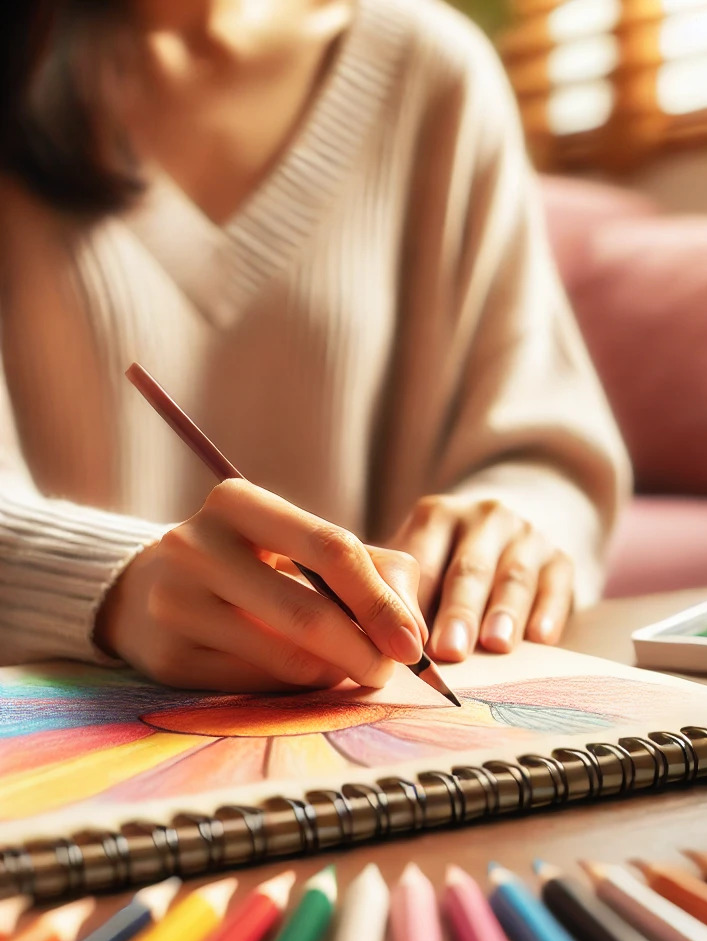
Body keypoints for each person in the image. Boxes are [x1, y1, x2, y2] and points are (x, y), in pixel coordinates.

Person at [0, 0, 630, 694]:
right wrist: (112, 585)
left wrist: (511, 530)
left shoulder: (430, 70)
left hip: (377, 755)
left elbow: (546, 454)